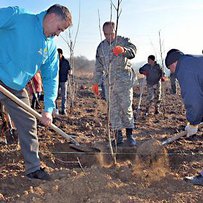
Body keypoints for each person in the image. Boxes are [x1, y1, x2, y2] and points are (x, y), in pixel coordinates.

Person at [0, 4, 72, 180]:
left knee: (28, 123)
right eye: (59, 29)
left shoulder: (51, 48)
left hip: (16, 88)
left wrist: (48, 108)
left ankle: (33, 168)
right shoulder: (18, 16)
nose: (58, 34)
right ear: (52, 17)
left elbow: (51, 78)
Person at [92, 21, 137, 147]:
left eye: (111, 34)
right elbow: (98, 66)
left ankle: (129, 135)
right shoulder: (101, 47)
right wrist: (95, 82)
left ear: (115, 31)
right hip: (109, 84)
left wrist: (123, 50)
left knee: (126, 108)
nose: (109, 37)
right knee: (113, 111)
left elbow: (133, 51)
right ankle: (118, 137)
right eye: (106, 34)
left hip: (124, 82)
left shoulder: (123, 41)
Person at [165, 48, 203, 186]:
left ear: (173, 63)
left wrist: (193, 122)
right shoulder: (192, 61)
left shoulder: (185, 70)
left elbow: (194, 100)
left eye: (170, 68)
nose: (172, 72)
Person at [55, 48, 71, 115]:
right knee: (55, 96)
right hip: (56, 81)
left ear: (61, 54)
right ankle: (55, 110)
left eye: (59, 54)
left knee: (64, 96)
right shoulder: (54, 61)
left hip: (64, 81)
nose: (58, 56)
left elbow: (70, 69)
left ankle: (63, 110)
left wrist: (70, 72)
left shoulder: (66, 62)